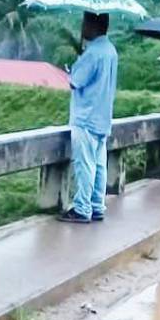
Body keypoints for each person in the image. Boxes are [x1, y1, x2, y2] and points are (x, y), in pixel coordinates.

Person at [60, 12, 118, 223]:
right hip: (102, 117)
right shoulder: (110, 50)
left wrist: (75, 65)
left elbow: (76, 81)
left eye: (84, 23)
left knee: (85, 164)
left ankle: (82, 207)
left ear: (93, 25)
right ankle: (96, 204)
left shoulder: (93, 53)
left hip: (85, 116)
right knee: (99, 164)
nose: (82, 28)